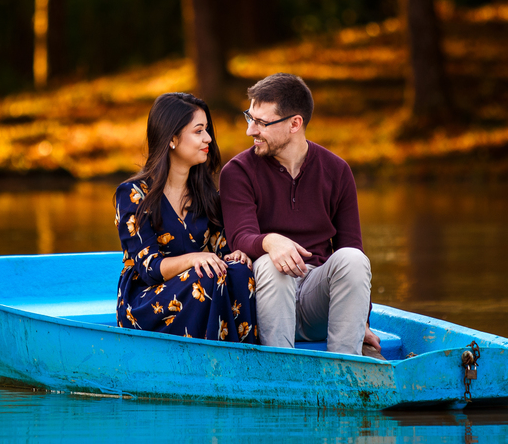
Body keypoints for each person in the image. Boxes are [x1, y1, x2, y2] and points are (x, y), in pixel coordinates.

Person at [219, 73, 381, 358]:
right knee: (273, 264)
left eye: (261, 122)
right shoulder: (238, 171)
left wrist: (361, 321)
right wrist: (271, 242)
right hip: (264, 304)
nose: (250, 130)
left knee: (354, 259)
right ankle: (283, 375)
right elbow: (240, 236)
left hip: (319, 301)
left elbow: (351, 247)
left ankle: (344, 371)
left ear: (295, 123)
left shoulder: (337, 171)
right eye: (249, 117)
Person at [115, 92, 258, 343]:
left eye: (207, 130)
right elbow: (149, 268)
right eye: (199, 131)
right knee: (206, 274)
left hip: (200, 287)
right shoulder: (134, 195)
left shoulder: (206, 196)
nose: (208, 138)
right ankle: (210, 358)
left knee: (238, 271)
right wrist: (195, 258)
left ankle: (244, 358)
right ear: (172, 138)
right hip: (147, 302)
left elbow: (219, 249)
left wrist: (237, 254)